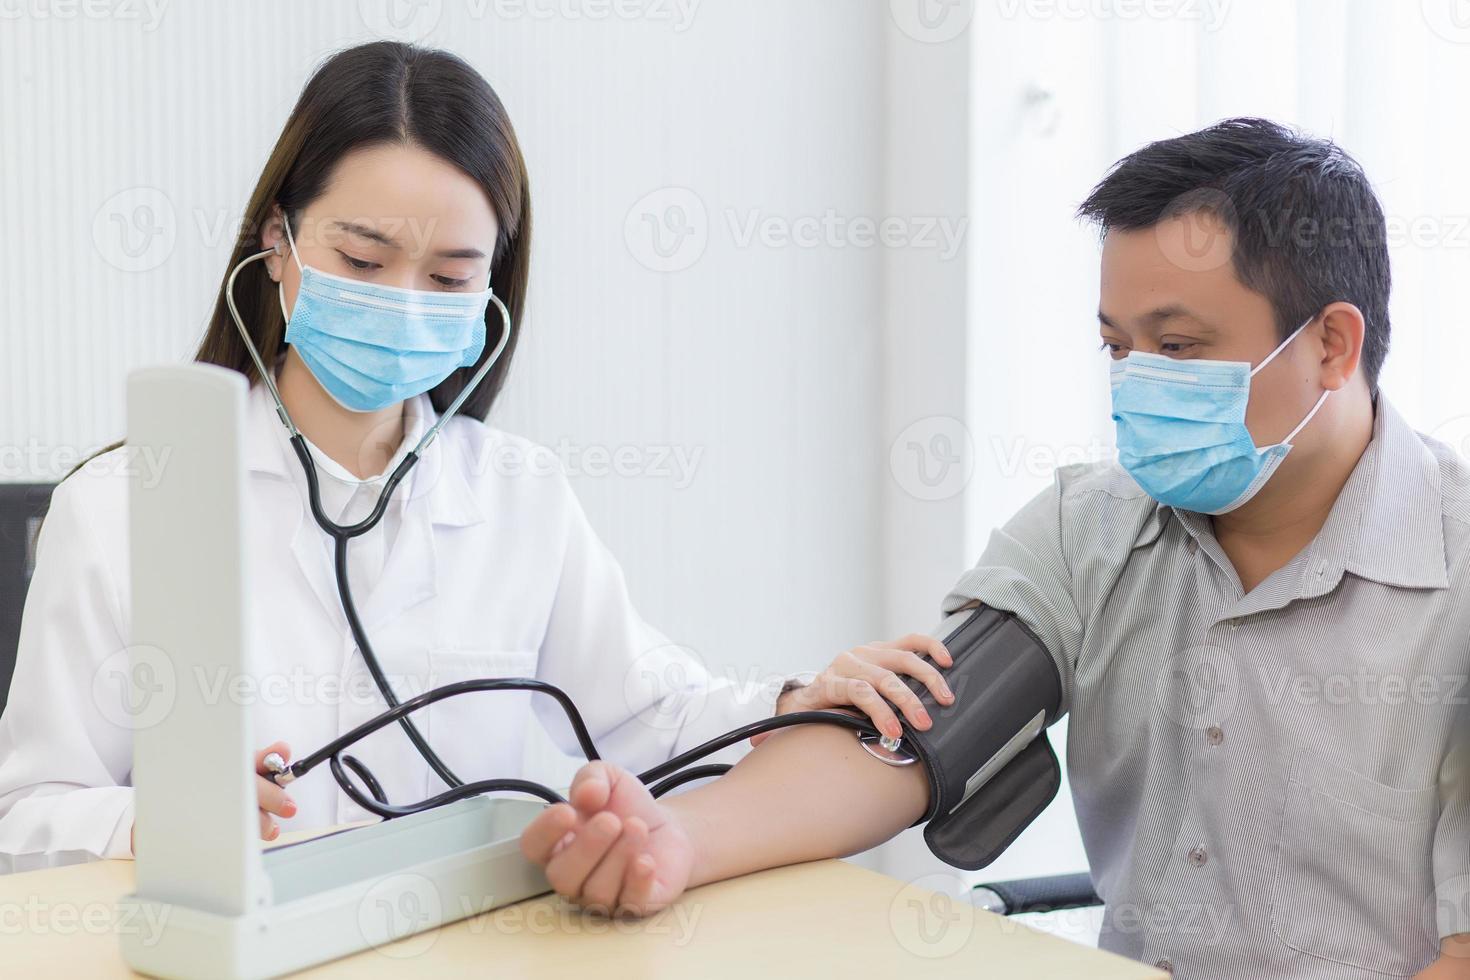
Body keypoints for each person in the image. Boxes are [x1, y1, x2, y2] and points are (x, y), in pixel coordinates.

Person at [518, 118, 1470, 980]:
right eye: (1117, 348)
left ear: (1333, 347)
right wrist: (678, 837)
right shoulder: (1091, 527)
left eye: (1178, 348)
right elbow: (910, 735)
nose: (1136, 384)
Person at [0, 41, 954, 872]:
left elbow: (651, 716)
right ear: (277, 243)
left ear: (491, 291)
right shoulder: (125, 504)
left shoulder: (519, 495)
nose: (407, 302)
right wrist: (158, 821)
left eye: (451, 276)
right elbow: (26, 816)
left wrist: (798, 701)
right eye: (364, 262)